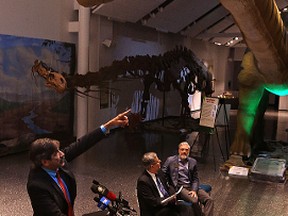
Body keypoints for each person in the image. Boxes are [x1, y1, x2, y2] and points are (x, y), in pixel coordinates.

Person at [27, 109, 130, 216]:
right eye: (55, 154)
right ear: (45, 162)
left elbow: (81, 144)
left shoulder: (57, 163)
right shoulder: (37, 186)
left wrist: (108, 125)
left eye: (59, 150)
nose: (62, 154)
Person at [162, 141, 214, 216]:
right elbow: (163, 174)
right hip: (180, 188)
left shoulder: (193, 162)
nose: (184, 151)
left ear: (189, 151)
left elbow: (195, 179)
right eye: (182, 149)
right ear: (178, 150)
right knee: (194, 200)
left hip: (192, 186)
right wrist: (168, 187)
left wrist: (194, 190)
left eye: (186, 150)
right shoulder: (170, 160)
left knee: (209, 200)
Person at [136, 152, 194, 216]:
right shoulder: (143, 181)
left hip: (167, 204)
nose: (160, 161)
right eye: (158, 161)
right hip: (156, 210)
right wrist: (167, 200)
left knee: (186, 209)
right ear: (152, 166)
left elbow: (168, 187)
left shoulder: (159, 172)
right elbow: (152, 202)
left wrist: (172, 195)